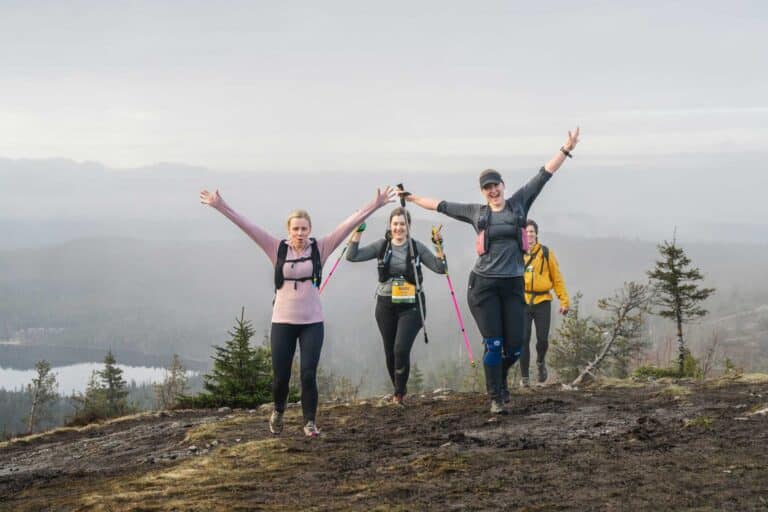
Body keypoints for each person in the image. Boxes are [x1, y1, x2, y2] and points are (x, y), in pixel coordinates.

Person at [401, 128, 580, 413]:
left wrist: (566, 149)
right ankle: (496, 397)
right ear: (482, 192)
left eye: (495, 185)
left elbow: (543, 175)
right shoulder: (477, 213)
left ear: (503, 185)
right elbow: (441, 206)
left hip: (512, 286)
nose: (493, 190)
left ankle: (499, 382)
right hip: (483, 287)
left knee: (516, 347)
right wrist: (411, 198)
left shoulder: (519, 203)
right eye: (487, 187)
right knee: (494, 344)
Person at [199, 186, 397, 436]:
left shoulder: (320, 247)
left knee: (308, 374)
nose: (300, 233)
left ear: (310, 230)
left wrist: (376, 204)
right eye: (295, 229)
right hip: (282, 322)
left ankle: (309, 423)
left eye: (304, 228)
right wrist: (220, 205)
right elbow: (248, 227)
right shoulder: (276, 247)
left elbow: (348, 224)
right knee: (280, 377)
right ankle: (279, 410)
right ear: (288, 230)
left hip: (312, 322)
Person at [345, 207, 446, 405]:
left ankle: (399, 394)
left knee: (401, 349)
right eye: (395, 224)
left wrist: (438, 244)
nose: (399, 228)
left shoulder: (416, 247)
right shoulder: (382, 246)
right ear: (390, 226)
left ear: (408, 227)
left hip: (412, 305)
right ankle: (399, 388)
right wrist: (358, 231)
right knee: (390, 351)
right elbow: (352, 256)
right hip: (385, 305)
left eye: (403, 224)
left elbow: (440, 268)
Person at [521, 219, 569, 387]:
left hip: (543, 301)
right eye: (526, 232)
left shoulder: (546, 253)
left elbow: (557, 279)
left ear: (536, 234)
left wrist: (564, 301)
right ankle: (525, 377)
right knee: (523, 339)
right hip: (523, 301)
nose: (529, 235)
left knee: (542, 339)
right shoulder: (517, 253)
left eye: (532, 232)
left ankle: (540, 362)